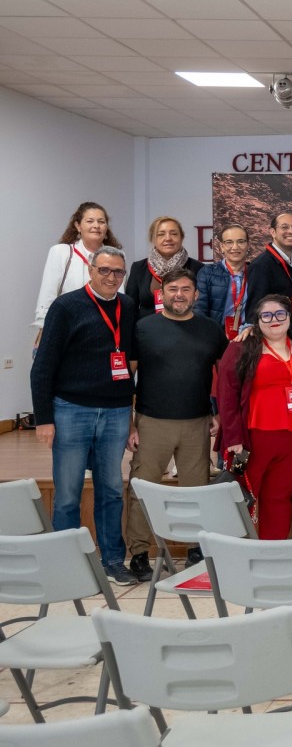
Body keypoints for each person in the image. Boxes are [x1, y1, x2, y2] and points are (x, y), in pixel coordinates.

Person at [29, 246, 136, 585]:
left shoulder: (128, 306)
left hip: (116, 411)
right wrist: (44, 418)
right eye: (104, 270)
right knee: (68, 493)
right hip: (71, 410)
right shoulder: (66, 306)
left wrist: (131, 413)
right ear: (90, 270)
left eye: (118, 272)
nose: (111, 277)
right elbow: (42, 366)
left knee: (111, 489)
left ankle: (113, 561)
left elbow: (130, 361)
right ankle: (67, 565)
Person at [125, 268, 227, 578]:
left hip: (196, 422)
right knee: (141, 489)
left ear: (196, 295)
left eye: (186, 289)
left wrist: (219, 414)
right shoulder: (143, 328)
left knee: (196, 492)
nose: (179, 294)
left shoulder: (211, 330)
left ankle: (195, 549)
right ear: (162, 294)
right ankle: (140, 553)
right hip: (152, 422)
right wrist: (130, 424)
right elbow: (126, 376)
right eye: (173, 289)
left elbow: (224, 377)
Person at [217, 295, 292, 540]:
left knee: (280, 497)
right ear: (256, 320)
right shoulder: (241, 346)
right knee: (244, 498)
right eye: (266, 315)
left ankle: (274, 554)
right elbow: (226, 394)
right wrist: (233, 438)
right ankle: (239, 554)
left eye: (280, 314)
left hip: (291, 437)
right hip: (253, 438)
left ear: (290, 317)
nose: (274, 320)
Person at [33, 201, 123, 350]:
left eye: (101, 222)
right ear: (78, 226)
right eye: (90, 221)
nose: (96, 225)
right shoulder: (61, 252)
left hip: (106, 329)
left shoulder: (117, 257)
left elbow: (120, 295)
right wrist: (44, 327)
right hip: (68, 327)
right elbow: (48, 293)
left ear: (107, 228)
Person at [125, 216, 203, 321]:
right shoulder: (139, 267)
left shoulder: (198, 268)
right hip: (147, 333)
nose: (168, 238)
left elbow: (201, 307)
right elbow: (130, 308)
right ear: (153, 239)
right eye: (161, 234)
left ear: (182, 237)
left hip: (187, 332)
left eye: (174, 234)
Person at [243, 212, 292, 320]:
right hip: (274, 332)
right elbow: (254, 309)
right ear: (273, 232)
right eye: (284, 227)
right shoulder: (261, 265)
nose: (291, 231)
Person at [195, 223, 251, 338]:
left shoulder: (256, 273)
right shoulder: (207, 272)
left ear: (248, 245)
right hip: (215, 336)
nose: (235, 247)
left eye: (241, 241)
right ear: (221, 246)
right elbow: (199, 310)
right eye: (229, 242)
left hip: (248, 336)